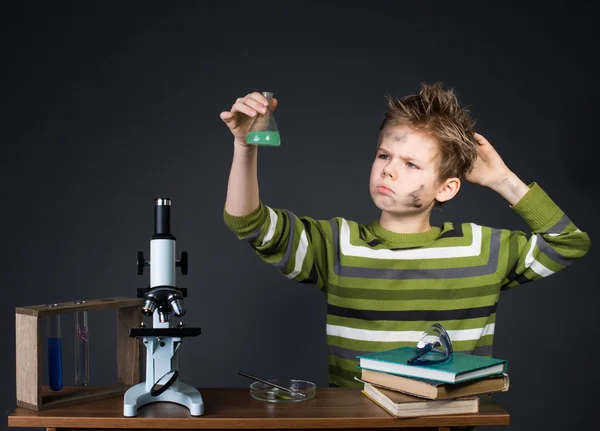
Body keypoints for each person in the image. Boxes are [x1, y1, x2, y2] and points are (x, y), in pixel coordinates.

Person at [221, 83, 591, 388]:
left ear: (446, 189)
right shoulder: (336, 244)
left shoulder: (482, 249)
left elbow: (569, 242)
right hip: (358, 425)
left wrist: (503, 180)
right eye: (384, 156)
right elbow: (249, 222)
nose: (389, 171)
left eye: (411, 164)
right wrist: (244, 146)